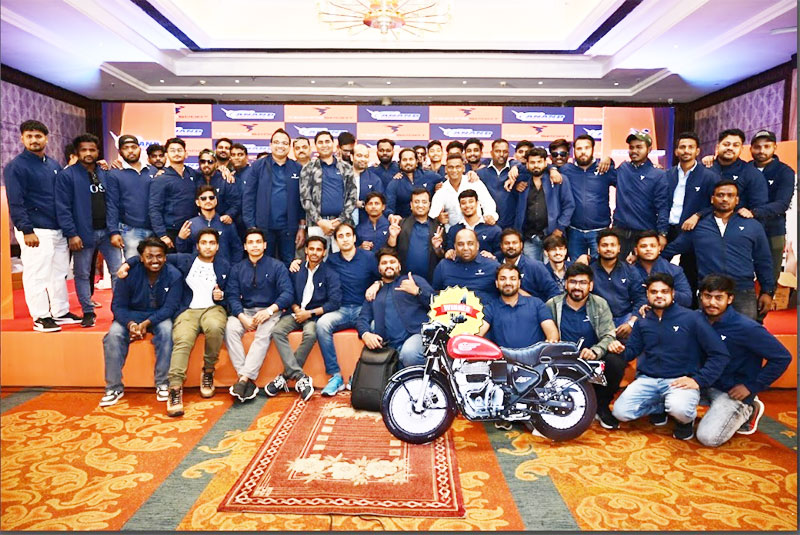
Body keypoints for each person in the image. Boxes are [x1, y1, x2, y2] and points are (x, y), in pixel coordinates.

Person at [611, 273, 730, 440]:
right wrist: (618, 349)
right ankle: (660, 407)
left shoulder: (692, 318)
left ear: (673, 293)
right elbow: (631, 352)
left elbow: (720, 354)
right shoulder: (643, 321)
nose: (659, 295)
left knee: (680, 409)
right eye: (654, 292)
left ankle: (685, 421)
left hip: (680, 380)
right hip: (648, 379)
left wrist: (699, 380)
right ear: (647, 295)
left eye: (664, 291)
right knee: (620, 413)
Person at [695, 275, 791, 446]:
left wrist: (751, 387)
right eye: (707, 296)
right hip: (702, 382)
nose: (712, 303)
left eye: (719, 298)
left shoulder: (746, 327)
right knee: (664, 399)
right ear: (700, 296)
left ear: (730, 299)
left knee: (708, 438)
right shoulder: (695, 319)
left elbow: (782, 357)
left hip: (731, 390)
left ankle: (749, 409)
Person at [662, 180, 774, 320]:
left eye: (730, 195)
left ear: (737, 200)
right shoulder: (698, 227)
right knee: (708, 333)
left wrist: (767, 291)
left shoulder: (752, 225)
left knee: (745, 332)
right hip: (709, 293)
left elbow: (763, 260)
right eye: (720, 195)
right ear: (712, 199)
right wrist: (645, 260)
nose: (725, 199)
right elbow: (670, 250)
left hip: (743, 291)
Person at [5, 120, 79, 331]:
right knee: (37, 274)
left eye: (38, 136)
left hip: (57, 228)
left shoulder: (53, 165)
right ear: (22, 139)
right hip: (35, 229)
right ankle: (40, 317)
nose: (34, 140)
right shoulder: (16, 167)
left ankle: (60, 312)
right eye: (29, 136)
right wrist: (26, 230)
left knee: (59, 272)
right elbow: (16, 201)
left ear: (46, 138)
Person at [101, 238, 183, 407]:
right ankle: (113, 388)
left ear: (165, 257)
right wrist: (130, 324)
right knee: (113, 335)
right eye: (149, 256)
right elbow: (117, 306)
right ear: (141, 258)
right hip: (131, 315)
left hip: (158, 316)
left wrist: (147, 322)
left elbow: (170, 307)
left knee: (167, 331)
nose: (155, 260)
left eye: (159, 256)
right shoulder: (127, 274)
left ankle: (163, 383)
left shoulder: (174, 275)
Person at [55, 133, 124, 328]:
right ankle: (87, 311)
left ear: (97, 151)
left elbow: (113, 203)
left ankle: (119, 311)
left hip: (108, 233)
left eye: (92, 150)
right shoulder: (67, 175)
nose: (88, 153)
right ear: (77, 152)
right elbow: (63, 207)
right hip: (82, 234)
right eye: (84, 150)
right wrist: (72, 234)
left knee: (118, 273)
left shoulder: (106, 173)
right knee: (82, 274)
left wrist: (114, 231)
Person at [545, 263, 626, 428]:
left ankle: (601, 406)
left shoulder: (600, 304)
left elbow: (609, 335)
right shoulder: (552, 304)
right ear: (566, 284)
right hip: (562, 361)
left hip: (591, 360)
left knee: (616, 362)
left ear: (591, 285)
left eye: (583, 283)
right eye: (573, 282)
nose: (577, 287)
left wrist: (595, 351)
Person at [268, 236, 342, 400]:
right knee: (277, 331)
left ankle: (285, 376)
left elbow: (334, 302)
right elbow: (288, 293)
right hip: (295, 311)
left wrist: (309, 313)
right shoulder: (296, 269)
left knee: (311, 334)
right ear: (306, 250)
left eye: (319, 249)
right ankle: (300, 376)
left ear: (324, 252)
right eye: (312, 248)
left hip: (314, 315)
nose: (315, 252)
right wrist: (296, 309)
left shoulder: (330, 273)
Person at [225, 228, 294, 402]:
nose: (254, 245)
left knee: (263, 335)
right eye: (250, 242)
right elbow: (232, 296)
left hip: (270, 311)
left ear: (265, 245)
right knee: (230, 328)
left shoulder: (277, 266)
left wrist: (269, 310)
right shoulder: (237, 268)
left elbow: (287, 293)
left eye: (258, 242)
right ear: (245, 246)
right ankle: (245, 379)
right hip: (246, 312)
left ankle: (243, 380)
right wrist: (242, 317)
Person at [314, 223, 379, 389]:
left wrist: (377, 284)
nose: (345, 239)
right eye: (340, 236)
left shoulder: (368, 257)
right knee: (322, 324)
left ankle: (360, 374)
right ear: (336, 241)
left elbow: (384, 277)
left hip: (363, 309)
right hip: (340, 310)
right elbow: (315, 270)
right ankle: (335, 375)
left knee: (376, 326)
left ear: (355, 238)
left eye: (348, 235)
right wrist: (297, 263)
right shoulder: (332, 260)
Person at [664, 132, 720, 303]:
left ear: (697, 151)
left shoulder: (709, 176)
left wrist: (698, 215)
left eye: (690, 147)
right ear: (676, 151)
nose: (686, 150)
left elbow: (716, 204)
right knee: (659, 268)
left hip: (693, 231)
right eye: (682, 147)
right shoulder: (667, 175)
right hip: (668, 229)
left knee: (690, 273)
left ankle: (690, 310)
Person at [357, 248, 434, 368]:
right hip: (388, 345)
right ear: (379, 269)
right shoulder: (374, 291)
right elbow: (362, 318)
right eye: (384, 263)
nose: (388, 265)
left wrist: (418, 291)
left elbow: (436, 303)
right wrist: (365, 334)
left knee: (409, 353)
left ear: (399, 266)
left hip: (417, 335)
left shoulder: (412, 280)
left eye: (392, 262)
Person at [243, 129, 305, 265]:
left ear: (289, 147)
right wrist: (251, 226)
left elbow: (302, 201)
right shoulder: (258, 166)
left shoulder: (297, 168)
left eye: (284, 143)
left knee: (290, 264)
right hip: (263, 227)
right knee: (263, 264)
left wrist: (302, 227)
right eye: (277, 142)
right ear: (270, 145)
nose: (280, 146)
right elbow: (248, 198)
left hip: (289, 228)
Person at [747, 129, 796, 283]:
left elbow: (782, 204)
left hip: (774, 231)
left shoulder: (785, 171)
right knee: (741, 275)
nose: (762, 151)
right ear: (751, 148)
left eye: (766, 146)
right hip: (744, 229)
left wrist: (753, 212)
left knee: (769, 277)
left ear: (775, 147)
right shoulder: (744, 169)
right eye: (757, 147)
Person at [612, 130, 669, 257]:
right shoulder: (623, 168)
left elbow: (663, 207)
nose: (634, 151)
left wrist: (662, 233)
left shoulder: (658, 175)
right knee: (616, 267)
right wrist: (608, 160)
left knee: (642, 268)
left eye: (639, 147)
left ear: (649, 149)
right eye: (631, 147)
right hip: (620, 230)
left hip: (644, 232)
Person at [559, 134, 617, 260]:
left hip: (600, 231)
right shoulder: (566, 170)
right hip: (574, 231)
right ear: (574, 151)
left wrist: (610, 160)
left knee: (600, 268)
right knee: (576, 268)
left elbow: (626, 184)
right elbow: (547, 169)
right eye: (579, 148)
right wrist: (552, 169)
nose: (583, 152)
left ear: (593, 149)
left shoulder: (604, 169)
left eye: (586, 148)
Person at [513, 147, 575, 262]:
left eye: (539, 162)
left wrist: (560, 228)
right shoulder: (522, 182)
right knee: (532, 270)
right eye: (532, 162)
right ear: (527, 165)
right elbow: (515, 166)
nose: (536, 165)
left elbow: (569, 206)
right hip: (529, 238)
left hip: (553, 236)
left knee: (552, 270)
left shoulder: (559, 179)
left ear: (545, 163)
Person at [300, 130, 357, 251]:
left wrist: (340, 220)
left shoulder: (346, 167)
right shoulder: (308, 168)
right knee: (317, 259)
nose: (324, 145)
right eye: (320, 142)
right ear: (315, 146)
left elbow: (352, 197)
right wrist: (320, 221)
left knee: (342, 259)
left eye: (327, 141)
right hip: (316, 225)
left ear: (333, 144)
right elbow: (305, 199)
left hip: (342, 224)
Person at [479, 264, 559, 347]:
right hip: (502, 355)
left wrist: (550, 344)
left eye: (513, 279)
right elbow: (478, 334)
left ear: (519, 283)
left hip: (534, 354)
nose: (508, 283)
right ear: (496, 283)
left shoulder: (536, 304)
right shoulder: (490, 308)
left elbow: (552, 333)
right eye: (502, 279)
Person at [588, 228, 646, 339]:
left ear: (619, 248)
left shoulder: (630, 271)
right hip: (598, 320)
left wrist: (631, 323)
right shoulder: (590, 272)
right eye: (604, 245)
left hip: (624, 318)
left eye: (612, 245)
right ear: (598, 249)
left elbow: (641, 298)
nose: (609, 249)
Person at [106, 135, 157, 260]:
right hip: (130, 230)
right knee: (134, 266)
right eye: (126, 148)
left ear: (140, 149)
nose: (130, 151)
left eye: (134, 147)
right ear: (120, 152)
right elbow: (112, 204)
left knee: (154, 267)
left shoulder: (153, 171)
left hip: (155, 229)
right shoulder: (115, 174)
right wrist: (114, 231)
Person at [148, 137, 200, 251]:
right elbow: (154, 208)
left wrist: (223, 169)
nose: (176, 153)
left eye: (179, 150)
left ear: (186, 153)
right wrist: (162, 235)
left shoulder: (193, 174)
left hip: (191, 229)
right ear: (166, 155)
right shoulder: (161, 179)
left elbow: (209, 174)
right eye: (172, 150)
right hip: (170, 232)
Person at [386, 188, 445, 281]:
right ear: (411, 205)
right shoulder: (400, 224)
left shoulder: (438, 227)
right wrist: (393, 237)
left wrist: (437, 249)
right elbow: (389, 251)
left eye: (424, 202)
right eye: (416, 202)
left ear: (429, 205)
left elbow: (443, 256)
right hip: (403, 280)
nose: (420, 205)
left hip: (430, 281)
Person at [176, 185, 243, 266]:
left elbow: (237, 248)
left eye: (211, 198)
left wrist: (233, 268)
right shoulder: (190, 224)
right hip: (199, 269)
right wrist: (181, 239)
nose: (208, 200)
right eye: (203, 198)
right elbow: (183, 252)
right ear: (197, 202)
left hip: (224, 269)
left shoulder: (226, 223)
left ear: (216, 200)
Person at [705, 128, 768, 214]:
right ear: (717, 147)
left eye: (735, 145)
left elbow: (759, 206)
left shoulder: (752, 173)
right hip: (703, 220)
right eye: (726, 144)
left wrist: (750, 213)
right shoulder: (704, 168)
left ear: (741, 149)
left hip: (737, 220)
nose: (730, 148)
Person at [429, 153, 498, 231]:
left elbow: (488, 203)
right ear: (445, 169)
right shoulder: (441, 191)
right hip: (453, 234)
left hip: (476, 231)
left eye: (458, 167)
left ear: (463, 168)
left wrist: (489, 216)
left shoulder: (474, 183)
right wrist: (438, 218)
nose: (454, 170)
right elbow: (433, 215)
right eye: (451, 167)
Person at [433, 228, 500, 304]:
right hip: (452, 309)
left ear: (477, 245)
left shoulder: (492, 266)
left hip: (485, 310)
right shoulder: (444, 266)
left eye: (470, 244)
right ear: (455, 246)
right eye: (460, 244)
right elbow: (436, 294)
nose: (465, 248)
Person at [632, 230, 692, 307]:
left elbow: (687, 300)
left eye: (653, 246)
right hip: (637, 311)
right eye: (644, 246)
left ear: (659, 248)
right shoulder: (629, 270)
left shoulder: (674, 270)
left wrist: (666, 291)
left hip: (668, 311)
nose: (648, 249)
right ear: (636, 250)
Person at [497, 228, 560, 301]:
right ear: (501, 245)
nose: (511, 246)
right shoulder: (496, 266)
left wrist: (538, 305)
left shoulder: (535, 267)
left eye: (514, 243)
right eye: (507, 243)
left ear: (521, 245)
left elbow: (554, 292)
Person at [385, 148, 441, 218]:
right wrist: (391, 216)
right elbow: (389, 207)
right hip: (405, 222)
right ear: (400, 163)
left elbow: (446, 180)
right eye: (404, 160)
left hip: (428, 221)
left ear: (417, 162)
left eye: (411, 159)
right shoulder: (394, 183)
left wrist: (439, 188)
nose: (408, 162)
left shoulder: (429, 176)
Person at [445, 190, 502, 258]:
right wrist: (448, 252)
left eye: (471, 201)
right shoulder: (454, 230)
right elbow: (449, 251)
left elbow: (501, 253)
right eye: (463, 203)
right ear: (460, 206)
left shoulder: (493, 230)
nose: (467, 205)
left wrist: (493, 256)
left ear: (477, 203)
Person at [477, 139, 517, 229]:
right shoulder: (480, 174)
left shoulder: (515, 172)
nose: (501, 154)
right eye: (498, 151)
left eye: (505, 151)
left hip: (511, 227)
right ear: (491, 153)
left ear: (508, 153)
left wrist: (516, 166)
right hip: (487, 225)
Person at [197, 149, 240, 227]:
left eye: (210, 162)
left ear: (216, 163)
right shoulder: (194, 178)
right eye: (203, 161)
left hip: (222, 223)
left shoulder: (225, 179)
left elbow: (236, 202)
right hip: (200, 223)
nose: (206, 164)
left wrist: (229, 215)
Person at [351, 143, 384, 225]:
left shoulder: (375, 180)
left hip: (366, 224)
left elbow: (379, 203)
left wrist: (363, 204)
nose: (363, 159)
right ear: (352, 157)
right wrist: (352, 203)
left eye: (366, 156)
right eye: (359, 156)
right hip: (343, 224)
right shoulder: (342, 176)